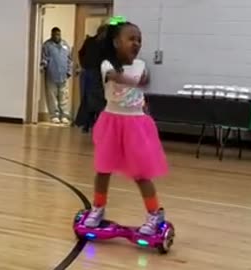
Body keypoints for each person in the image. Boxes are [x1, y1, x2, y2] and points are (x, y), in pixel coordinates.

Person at [83, 17, 169, 236]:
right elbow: (115, 77)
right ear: (115, 42)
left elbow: (140, 79)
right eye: (131, 38)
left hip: (136, 123)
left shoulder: (140, 66)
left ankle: (154, 213)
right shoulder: (107, 65)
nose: (137, 43)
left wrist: (140, 82)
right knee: (103, 169)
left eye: (139, 40)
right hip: (112, 120)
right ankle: (98, 208)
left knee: (141, 173)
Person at [75, 25, 107, 132]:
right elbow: (80, 53)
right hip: (90, 72)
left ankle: (93, 123)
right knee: (87, 98)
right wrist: (84, 64)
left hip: (97, 73)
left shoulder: (104, 44)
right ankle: (87, 123)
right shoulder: (90, 42)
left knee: (96, 99)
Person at [41, 27, 73, 125]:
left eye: (58, 34)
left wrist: (69, 71)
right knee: (52, 97)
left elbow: (70, 60)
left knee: (63, 96)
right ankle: (54, 116)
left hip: (63, 75)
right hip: (51, 75)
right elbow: (44, 58)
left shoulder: (65, 45)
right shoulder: (47, 45)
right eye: (54, 34)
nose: (56, 36)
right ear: (51, 34)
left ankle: (64, 116)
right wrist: (43, 66)